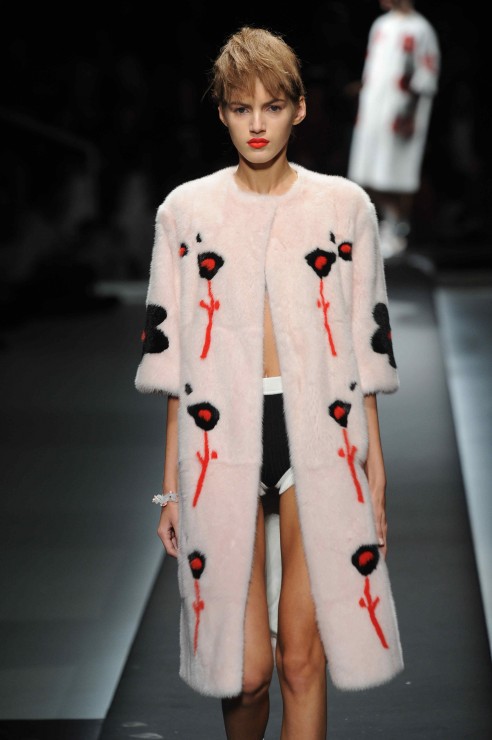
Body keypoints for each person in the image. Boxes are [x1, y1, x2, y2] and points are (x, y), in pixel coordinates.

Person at [135, 26, 404, 739]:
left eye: (273, 106)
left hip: (322, 432)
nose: (257, 124)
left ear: (300, 109)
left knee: (302, 663)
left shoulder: (345, 207)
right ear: (222, 113)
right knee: (247, 670)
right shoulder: (185, 212)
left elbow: (367, 345)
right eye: (241, 107)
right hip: (217, 442)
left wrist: (375, 467)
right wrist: (169, 487)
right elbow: (173, 364)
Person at [346, 0, 440, 258]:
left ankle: (398, 231)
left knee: (395, 175)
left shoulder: (420, 29)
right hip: (374, 112)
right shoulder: (381, 25)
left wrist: (410, 114)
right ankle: (386, 226)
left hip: (400, 114)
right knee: (366, 174)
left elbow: (426, 73)